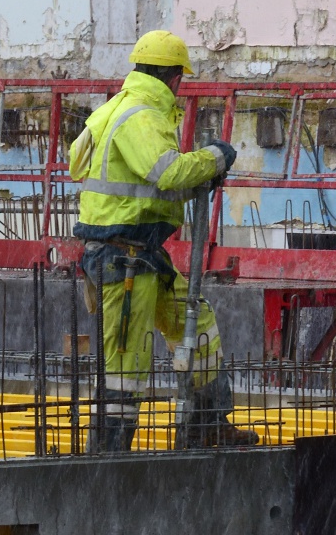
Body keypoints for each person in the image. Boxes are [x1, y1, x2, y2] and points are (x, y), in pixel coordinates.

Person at [69, 30, 259, 452]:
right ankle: (110, 455)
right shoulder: (140, 115)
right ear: (174, 77)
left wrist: (196, 179)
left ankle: (206, 425)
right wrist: (213, 158)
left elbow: (143, 183)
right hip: (123, 259)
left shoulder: (110, 111)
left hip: (142, 255)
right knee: (126, 362)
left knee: (199, 326)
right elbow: (168, 172)